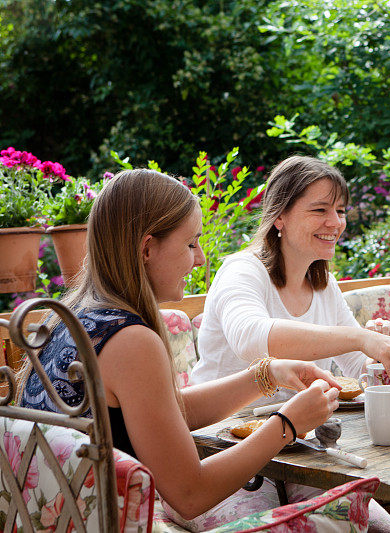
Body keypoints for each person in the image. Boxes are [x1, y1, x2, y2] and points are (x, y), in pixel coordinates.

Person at [20, 169, 346, 531]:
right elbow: (190, 494)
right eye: (191, 243)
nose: (202, 259)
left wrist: (264, 375)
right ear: (146, 248)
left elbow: (165, 418)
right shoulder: (131, 341)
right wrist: (288, 424)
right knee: (348, 517)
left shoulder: (71, 319)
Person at [190, 155, 390, 407]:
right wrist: (360, 338)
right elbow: (250, 340)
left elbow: (355, 369)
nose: (336, 222)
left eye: (340, 211)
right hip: (220, 432)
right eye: (320, 210)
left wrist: (378, 348)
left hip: (296, 432)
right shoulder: (242, 270)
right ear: (279, 216)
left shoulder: (325, 285)